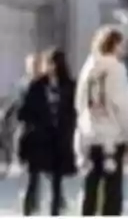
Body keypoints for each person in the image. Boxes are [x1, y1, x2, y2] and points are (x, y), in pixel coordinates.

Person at [75, 27, 128, 216]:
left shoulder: (88, 69)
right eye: (121, 46)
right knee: (112, 191)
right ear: (114, 45)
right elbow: (126, 107)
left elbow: (79, 104)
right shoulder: (116, 69)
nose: (123, 50)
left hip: (91, 134)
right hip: (113, 136)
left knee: (91, 185)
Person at [17, 49, 78, 216]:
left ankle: (55, 211)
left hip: (59, 139)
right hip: (38, 139)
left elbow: (75, 111)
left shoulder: (70, 86)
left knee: (56, 181)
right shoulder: (37, 86)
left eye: (52, 63)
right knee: (33, 178)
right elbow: (23, 112)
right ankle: (28, 211)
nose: (49, 67)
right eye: (47, 63)